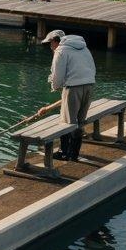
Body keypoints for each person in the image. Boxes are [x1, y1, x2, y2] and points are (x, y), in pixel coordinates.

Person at [42, 28, 96, 162]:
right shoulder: (84, 48)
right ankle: (74, 154)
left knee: (67, 121)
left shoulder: (60, 51)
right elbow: (93, 68)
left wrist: (55, 86)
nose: (50, 46)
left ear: (55, 41)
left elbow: (57, 75)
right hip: (89, 85)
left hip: (73, 88)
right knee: (80, 121)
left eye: (50, 43)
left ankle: (64, 152)